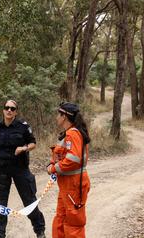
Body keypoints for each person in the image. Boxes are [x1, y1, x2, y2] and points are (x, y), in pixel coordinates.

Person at [0, 99, 46, 238]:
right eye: (7, 108)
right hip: (1, 168)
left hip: (20, 168)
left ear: (16, 112)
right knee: (0, 205)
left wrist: (24, 148)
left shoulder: (23, 126)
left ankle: (40, 231)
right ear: (3, 110)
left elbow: (33, 143)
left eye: (12, 109)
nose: (9, 110)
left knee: (29, 201)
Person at [47, 102, 91, 238]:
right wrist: (52, 163)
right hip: (67, 185)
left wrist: (54, 168)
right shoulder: (68, 134)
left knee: (73, 223)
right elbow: (62, 155)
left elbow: (74, 159)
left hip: (74, 185)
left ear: (64, 116)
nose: (56, 117)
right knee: (61, 219)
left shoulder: (73, 134)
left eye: (58, 115)